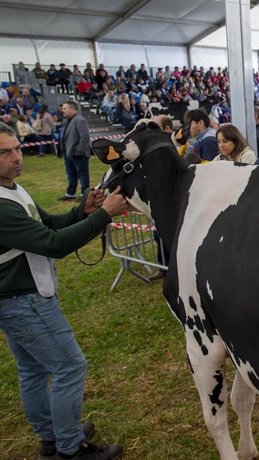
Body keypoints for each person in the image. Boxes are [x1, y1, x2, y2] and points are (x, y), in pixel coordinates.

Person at [0, 121, 128, 460]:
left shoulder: (11, 190)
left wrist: (81, 211)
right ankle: (70, 449)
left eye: (16, 148)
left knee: (33, 370)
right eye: (5, 152)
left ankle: (53, 435)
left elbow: (47, 225)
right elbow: (54, 244)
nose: (16, 157)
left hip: (19, 297)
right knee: (69, 367)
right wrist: (102, 215)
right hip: (23, 300)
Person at [58, 101, 91, 201]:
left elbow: (84, 137)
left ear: (72, 109)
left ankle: (84, 195)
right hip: (68, 153)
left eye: (65, 108)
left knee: (82, 174)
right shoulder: (66, 121)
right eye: (62, 108)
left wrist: (78, 151)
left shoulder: (80, 120)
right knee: (71, 174)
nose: (62, 111)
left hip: (78, 154)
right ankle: (70, 194)